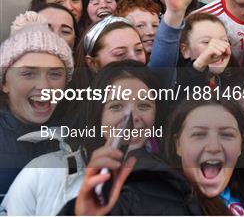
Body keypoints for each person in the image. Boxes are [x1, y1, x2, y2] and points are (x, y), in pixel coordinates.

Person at [66, 98, 244, 215]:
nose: (213, 146)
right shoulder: (149, 196)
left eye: (226, 134)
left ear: (241, 144)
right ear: (177, 144)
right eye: (199, 135)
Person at [1, 61, 162, 216]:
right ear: (97, 114)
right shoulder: (41, 171)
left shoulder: (166, 183)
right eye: (116, 106)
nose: (133, 117)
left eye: (144, 106)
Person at [0, 11, 73, 202]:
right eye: (28, 74)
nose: (44, 86)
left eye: (55, 74)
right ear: (4, 84)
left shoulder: (75, 134)